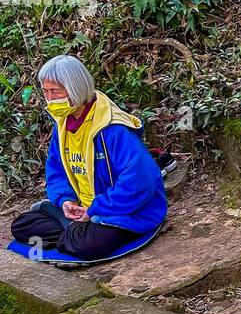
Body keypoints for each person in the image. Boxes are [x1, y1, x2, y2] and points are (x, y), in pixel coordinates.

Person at [11, 55, 167, 260]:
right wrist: (66, 200)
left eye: (56, 91)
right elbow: (56, 169)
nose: (50, 99)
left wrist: (95, 209)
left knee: (86, 244)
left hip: (118, 211)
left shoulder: (113, 128)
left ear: (75, 89)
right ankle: (73, 230)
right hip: (82, 209)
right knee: (22, 225)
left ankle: (76, 232)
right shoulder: (63, 124)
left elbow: (139, 182)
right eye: (46, 91)